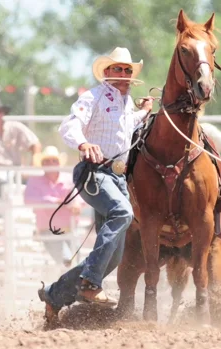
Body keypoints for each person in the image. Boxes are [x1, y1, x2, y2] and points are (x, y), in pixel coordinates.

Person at [38, 47, 154, 325]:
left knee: (113, 257)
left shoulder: (126, 103)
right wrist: (83, 143)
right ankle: (90, 283)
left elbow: (126, 125)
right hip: (94, 173)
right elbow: (69, 125)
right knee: (123, 214)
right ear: (106, 72)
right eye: (119, 69)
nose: (124, 74)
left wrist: (145, 112)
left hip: (115, 178)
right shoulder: (92, 97)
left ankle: (55, 295)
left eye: (127, 70)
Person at [24, 146, 84, 267]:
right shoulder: (35, 180)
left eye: (54, 161)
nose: (50, 164)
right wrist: (54, 202)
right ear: (42, 164)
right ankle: (68, 284)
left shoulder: (69, 178)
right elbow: (28, 200)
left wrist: (77, 203)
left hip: (70, 229)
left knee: (76, 261)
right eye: (46, 161)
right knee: (68, 260)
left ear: (59, 163)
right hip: (48, 230)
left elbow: (80, 196)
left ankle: (65, 284)